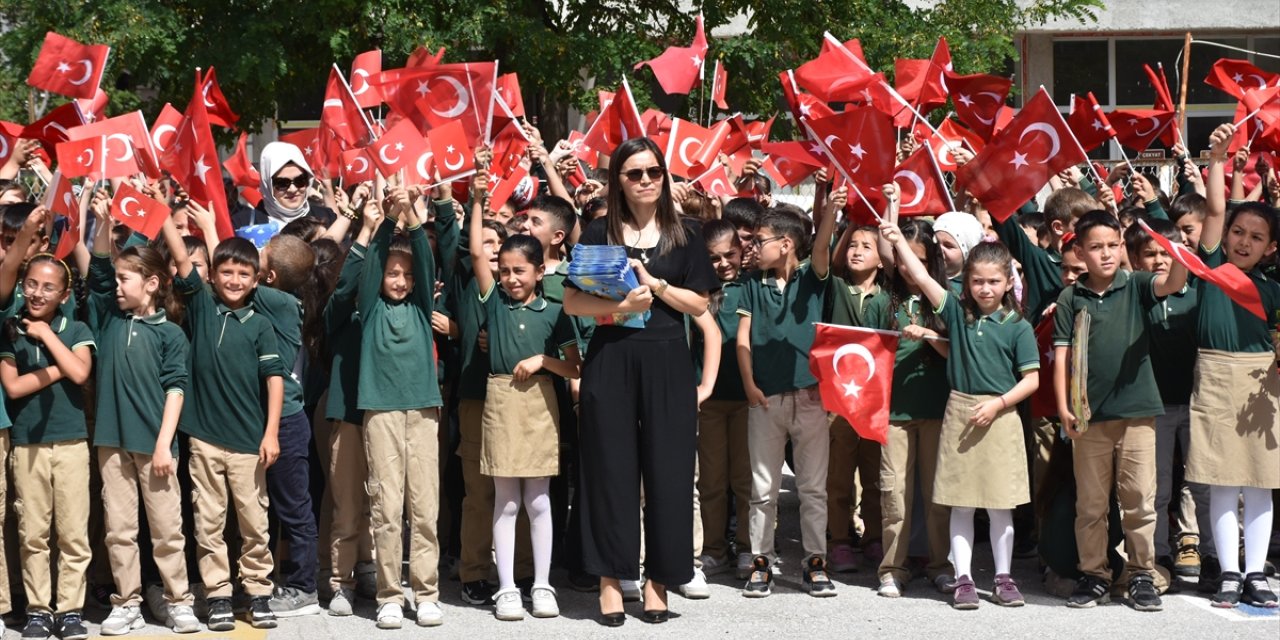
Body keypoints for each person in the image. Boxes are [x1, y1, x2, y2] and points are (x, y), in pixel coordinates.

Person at [563, 137, 718, 627]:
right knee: (611, 472)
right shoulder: (596, 233)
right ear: (618, 181)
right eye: (634, 173)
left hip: (669, 361)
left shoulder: (687, 235)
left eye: (653, 171)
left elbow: (701, 306)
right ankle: (611, 582)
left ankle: (659, 582)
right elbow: (572, 303)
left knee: (669, 475)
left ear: (664, 176)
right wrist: (622, 307)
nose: (646, 180)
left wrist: (657, 286)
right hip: (610, 359)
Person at [881, 188, 1040, 610]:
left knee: (1002, 505)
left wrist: (999, 405)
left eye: (993, 281)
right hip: (959, 411)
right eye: (977, 281)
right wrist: (896, 234)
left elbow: (1031, 380)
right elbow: (920, 276)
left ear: (1009, 282)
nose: (985, 289)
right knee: (961, 504)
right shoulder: (956, 311)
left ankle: (1004, 578)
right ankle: (964, 578)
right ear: (965, 283)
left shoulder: (1018, 327)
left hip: (1000, 418)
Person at [1053, 210, 1187, 612]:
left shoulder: (1137, 285)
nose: (1106, 254)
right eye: (1096, 247)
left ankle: (1141, 573)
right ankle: (1094, 574)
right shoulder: (1070, 297)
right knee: (1091, 504)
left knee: (1140, 501)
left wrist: (1177, 250)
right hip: (1088, 417)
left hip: (1138, 415)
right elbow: (1062, 355)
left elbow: (1175, 281)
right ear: (1079, 251)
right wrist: (1063, 408)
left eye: (1113, 245)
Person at [82, 204, 201, 635]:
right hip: (111, 443)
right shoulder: (107, 318)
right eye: (117, 278)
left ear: (151, 284)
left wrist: (164, 443)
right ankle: (126, 602)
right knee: (119, 530)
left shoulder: (170, 332)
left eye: (125, 278)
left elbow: (176, 389)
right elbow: (96, 270)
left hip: (156, 447)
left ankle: (178, 601)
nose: (116, 285)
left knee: (168, 530)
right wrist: (101, 224)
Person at [165, 223, 284, 632]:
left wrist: (270, 433)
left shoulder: (260, 324)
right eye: (226, 272)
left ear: (256, 281)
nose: (234, 280)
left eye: (243, 274)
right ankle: (217, 594)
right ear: (212, 276)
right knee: (208, 522)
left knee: (255, 522)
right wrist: (164, 215)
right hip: (204, 440)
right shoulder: (201, 307)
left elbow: (274, 380)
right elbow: (182, 259)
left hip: (249, 443)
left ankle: (257, 592)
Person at [469, 198, 581, 621]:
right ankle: (507, 588)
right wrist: (479, 197)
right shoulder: (493, 301)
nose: (512, 279)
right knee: (506, 501)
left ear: (540, 271)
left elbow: (574, 366)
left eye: (520, 271)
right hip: (500, 399)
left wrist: (542, 361)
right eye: (506, 271)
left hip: (540, 401)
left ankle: (542, 584)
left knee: (538, 501)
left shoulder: (556, 312)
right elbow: (477, 251)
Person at [1188, 124, 1280, 609]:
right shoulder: (1210, 271)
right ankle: (1227, 572)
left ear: (1271, 249)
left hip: (1264, 382)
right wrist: (1218, 160)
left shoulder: (1273, 290)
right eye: (1238, 234)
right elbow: (1216, 208)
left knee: (1260, 479)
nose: (1244, 242)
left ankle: (1256, 573)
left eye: (1257, 237)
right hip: (1215, 377)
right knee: (1222, 478)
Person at [356, 186, 445, 629]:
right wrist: (387, 220)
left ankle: (426, 592)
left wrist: (411, 214)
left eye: (405, 275)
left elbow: (426, 264)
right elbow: (370, 266)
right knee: (387, 509)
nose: (400, 281)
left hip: (423, 411)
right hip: (381, 412)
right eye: (393, 273)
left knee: (425, 507)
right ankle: (390, 595)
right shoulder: (370, 308)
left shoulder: (421, 304)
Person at [737, 203, 835, 599]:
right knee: (763, 489)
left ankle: (815, 563)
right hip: (765, 399)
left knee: (813, 488)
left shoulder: (812, 277)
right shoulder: (750, 283)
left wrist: (831, 210)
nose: (753, 248)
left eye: (760, 241)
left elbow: (824, 243)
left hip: (810, 398)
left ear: (787, 243)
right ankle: (761, 562)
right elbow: (742, 337)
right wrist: (749, 383)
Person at [0, 240, 95, 640]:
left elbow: (82, 373)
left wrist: (46, 336)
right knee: (33, 532)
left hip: (71, 442)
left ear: (65, 294)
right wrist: (60, 365)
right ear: (22, 285)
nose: (38, 293)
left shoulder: (75, 327)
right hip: (27, 445)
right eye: (31, 284)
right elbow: (15, 386)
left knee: (73, 533)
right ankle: (39, 609)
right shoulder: (9, 330)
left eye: (49, 287)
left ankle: (70, 610)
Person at [1122, 219, 1208, 583]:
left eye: (1166, 253)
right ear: (1136, 260)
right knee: (1156, 485)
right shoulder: (1137, 295)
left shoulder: (1197, 293)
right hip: (1154, 407)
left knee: (1201, 482)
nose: (1159, 260)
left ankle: (1202, 547)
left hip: (1197, 403)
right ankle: (1158, 552)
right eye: (1150, 254)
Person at [873, 215, 955, 598]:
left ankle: (940, 564)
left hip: (939, 411)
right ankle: (892, 568)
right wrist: (892, 206)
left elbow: (958, 348)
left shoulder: (947, 297)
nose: (908, 268)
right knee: (894, 494)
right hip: (893, 414)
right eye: (903, 260)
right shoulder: (882, 299)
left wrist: (929, 335)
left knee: (937, 495)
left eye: (918, 260)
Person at [813, 186, 888, 574]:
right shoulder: (835, 287)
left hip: (876, 405)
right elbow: (822, 252)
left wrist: (888, 210)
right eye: (853, 244)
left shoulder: (889, 296)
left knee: (875, 476)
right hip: (839, 402)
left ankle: (874, 536)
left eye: (866, 246)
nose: (857, 250)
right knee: (839, 476)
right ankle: (840, 539)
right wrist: (832, 212)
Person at [252, 233, 324, 617]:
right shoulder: (284, 297)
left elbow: (231, 276)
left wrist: (213, 228)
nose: (254, 259)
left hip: (288, 422)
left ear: (271, 276)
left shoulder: (277, 301)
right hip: (267, 418)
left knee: (295, 509)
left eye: (260, 258)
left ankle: (302, 588)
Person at [320, 193, 381, 616]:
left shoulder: (388, 313)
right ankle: (340, 582)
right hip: (346, 414)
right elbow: (342, 293)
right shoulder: (337, 314)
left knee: (379, 503)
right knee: (345, 504)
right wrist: (362, 233)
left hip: (386, 413)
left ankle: (371, 569)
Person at [693, 220, 752, 581]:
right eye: (713, 258)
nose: (723, 263)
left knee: (746, 481)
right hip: (709, 402)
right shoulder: (697, 291)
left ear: (743, 251)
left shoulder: (752, 288)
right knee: (712, 482)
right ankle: (713, 548)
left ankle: (747, 547)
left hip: (748, 399)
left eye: (730, 254)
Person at [231, 142, 336, 231]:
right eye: (282, 183)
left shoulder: (326, 217)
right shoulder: (243, 223)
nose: (293, 189)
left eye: (299, 180)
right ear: (268, 185)